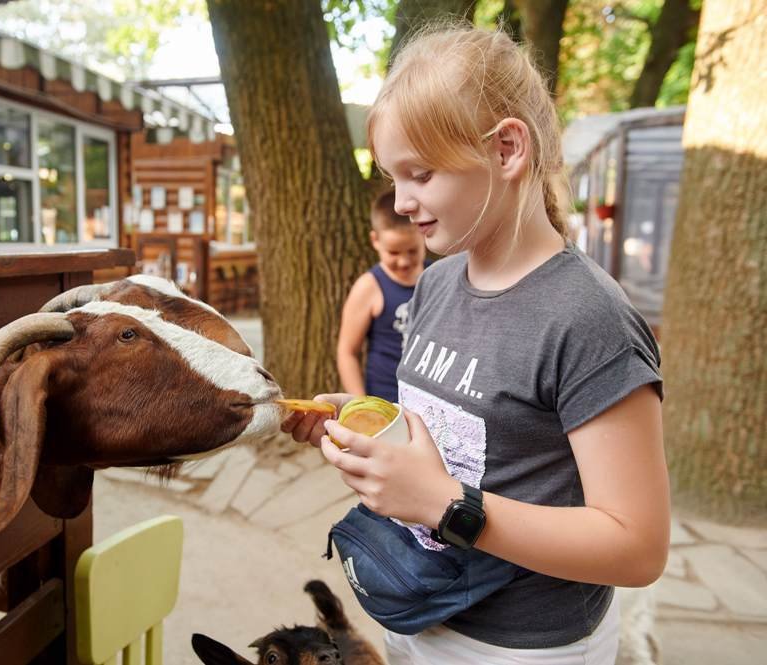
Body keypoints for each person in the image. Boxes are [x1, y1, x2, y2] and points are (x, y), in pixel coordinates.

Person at [282, 25, 668, 664]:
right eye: (392, 177)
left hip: (518, 647)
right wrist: (364, 422)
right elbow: (452, 424)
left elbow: (637, 546)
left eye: (421, 173)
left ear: (508, 149)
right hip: (415, 612)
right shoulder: (434, 283)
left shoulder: (588, 318)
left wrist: (441, 503)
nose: (402, 202)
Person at [337, 190, 428, 402]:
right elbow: (347, 351)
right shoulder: (368, 287)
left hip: (432, 403)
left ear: (424, 233)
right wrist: (360, 404)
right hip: (386, 401)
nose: (404, 262)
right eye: (394, 253)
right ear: (375, 240)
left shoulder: (439, 277)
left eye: (412, 251)